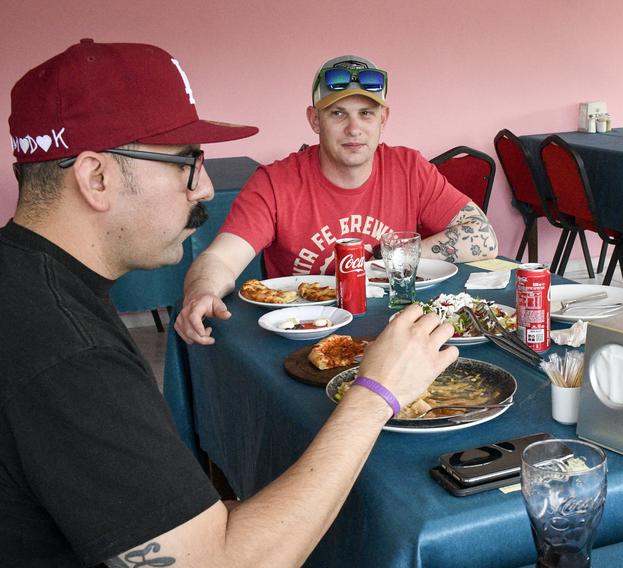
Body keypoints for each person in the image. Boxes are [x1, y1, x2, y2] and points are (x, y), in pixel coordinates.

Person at [1, 40, 457, 567]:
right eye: (187, 163)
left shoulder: (38, 287)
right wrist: (376, 392)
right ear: (96, 177)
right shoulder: (70, 357)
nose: (204, 188)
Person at [175, 55, 498, 345]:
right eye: (338, 113)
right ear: (315, 120)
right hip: (306, 332)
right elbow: (220, 259)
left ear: (383, 119)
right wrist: (201, 292)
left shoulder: (409, 168)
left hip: (393, 330)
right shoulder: (276, 182)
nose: (354, 128)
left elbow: (483, 237)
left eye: (366, 114)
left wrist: (378, 263)